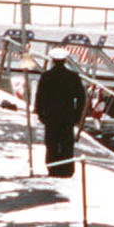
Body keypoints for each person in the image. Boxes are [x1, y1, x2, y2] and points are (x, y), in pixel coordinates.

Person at [34, 47, 87, 178]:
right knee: (67, 142)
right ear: (65, 60)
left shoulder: (46, 76)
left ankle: (53, 168)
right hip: (68, 115)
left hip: (51, 115)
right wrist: (78, 115)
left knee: (51, 142)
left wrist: (40, 113)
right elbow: (81, 97)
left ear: (52, 60)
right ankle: (67, 169)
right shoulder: (73, 76)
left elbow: (40, 97)